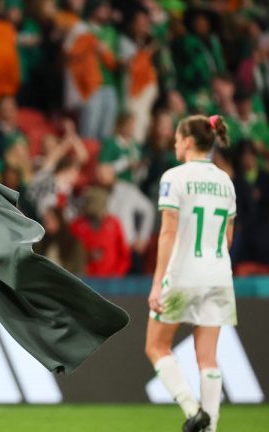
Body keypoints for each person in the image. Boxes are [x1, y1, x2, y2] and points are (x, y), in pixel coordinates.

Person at [145, 115, 235, 432]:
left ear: (186, 141)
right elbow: (227, 238)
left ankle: (192, 409)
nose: (173, 144)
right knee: (208, 358)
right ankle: (210, 428)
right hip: (219, 275)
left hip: (184, 273)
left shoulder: (174, 177)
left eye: (176, 138)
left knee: (156, 347)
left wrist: (157, 283)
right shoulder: (226, 181)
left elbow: (168, 233)